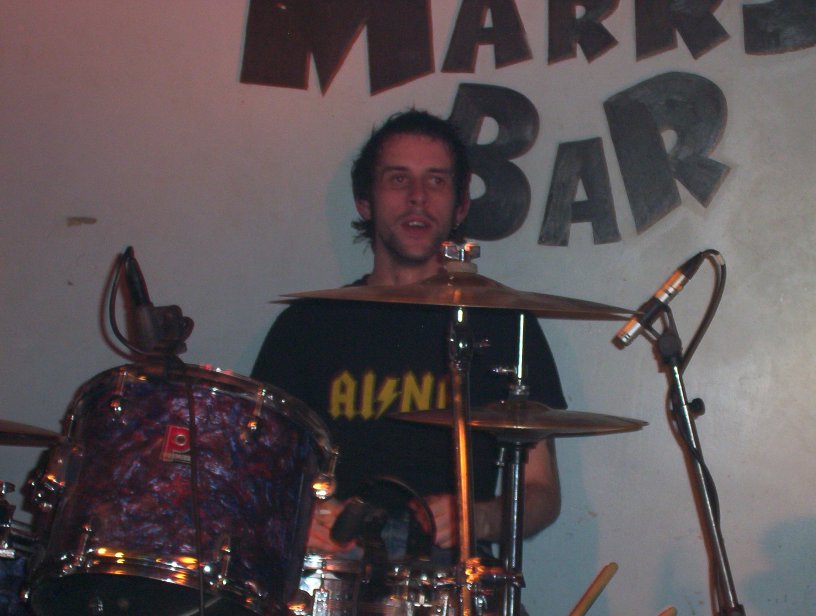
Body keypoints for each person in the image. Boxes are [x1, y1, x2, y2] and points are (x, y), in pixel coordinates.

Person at [252, 109, 566, 563]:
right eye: (398, 179)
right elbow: (259, 471)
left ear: (460, 206)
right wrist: (299, 515)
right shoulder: (306, 325)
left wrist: (478, 518)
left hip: (447, 575)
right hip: (331, 573)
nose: (418, 197)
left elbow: (542, 493)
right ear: (365, 202)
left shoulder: (503, 324)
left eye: (436, 181)